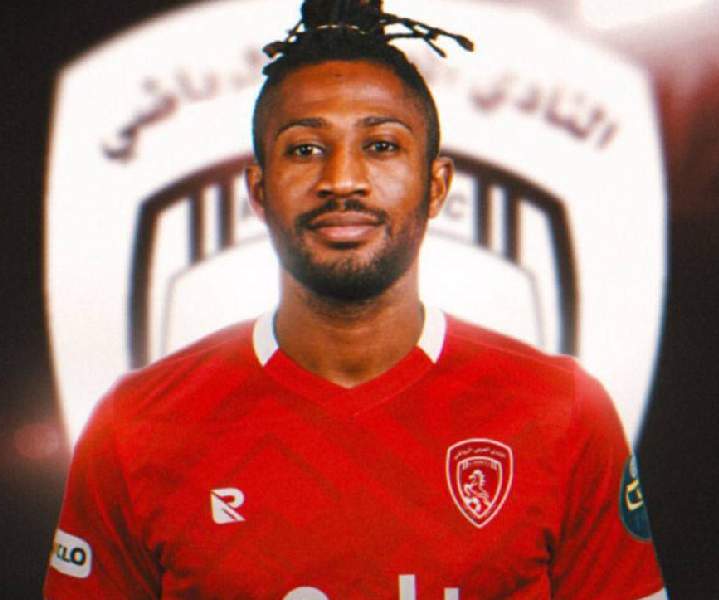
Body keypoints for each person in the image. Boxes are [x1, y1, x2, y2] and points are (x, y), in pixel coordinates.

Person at [44, 1, 667, 597]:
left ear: (436, 186)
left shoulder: (561, 412)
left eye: (381, 145)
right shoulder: (138, 427)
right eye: (305, 149)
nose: (342, 180)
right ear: (259, 191)